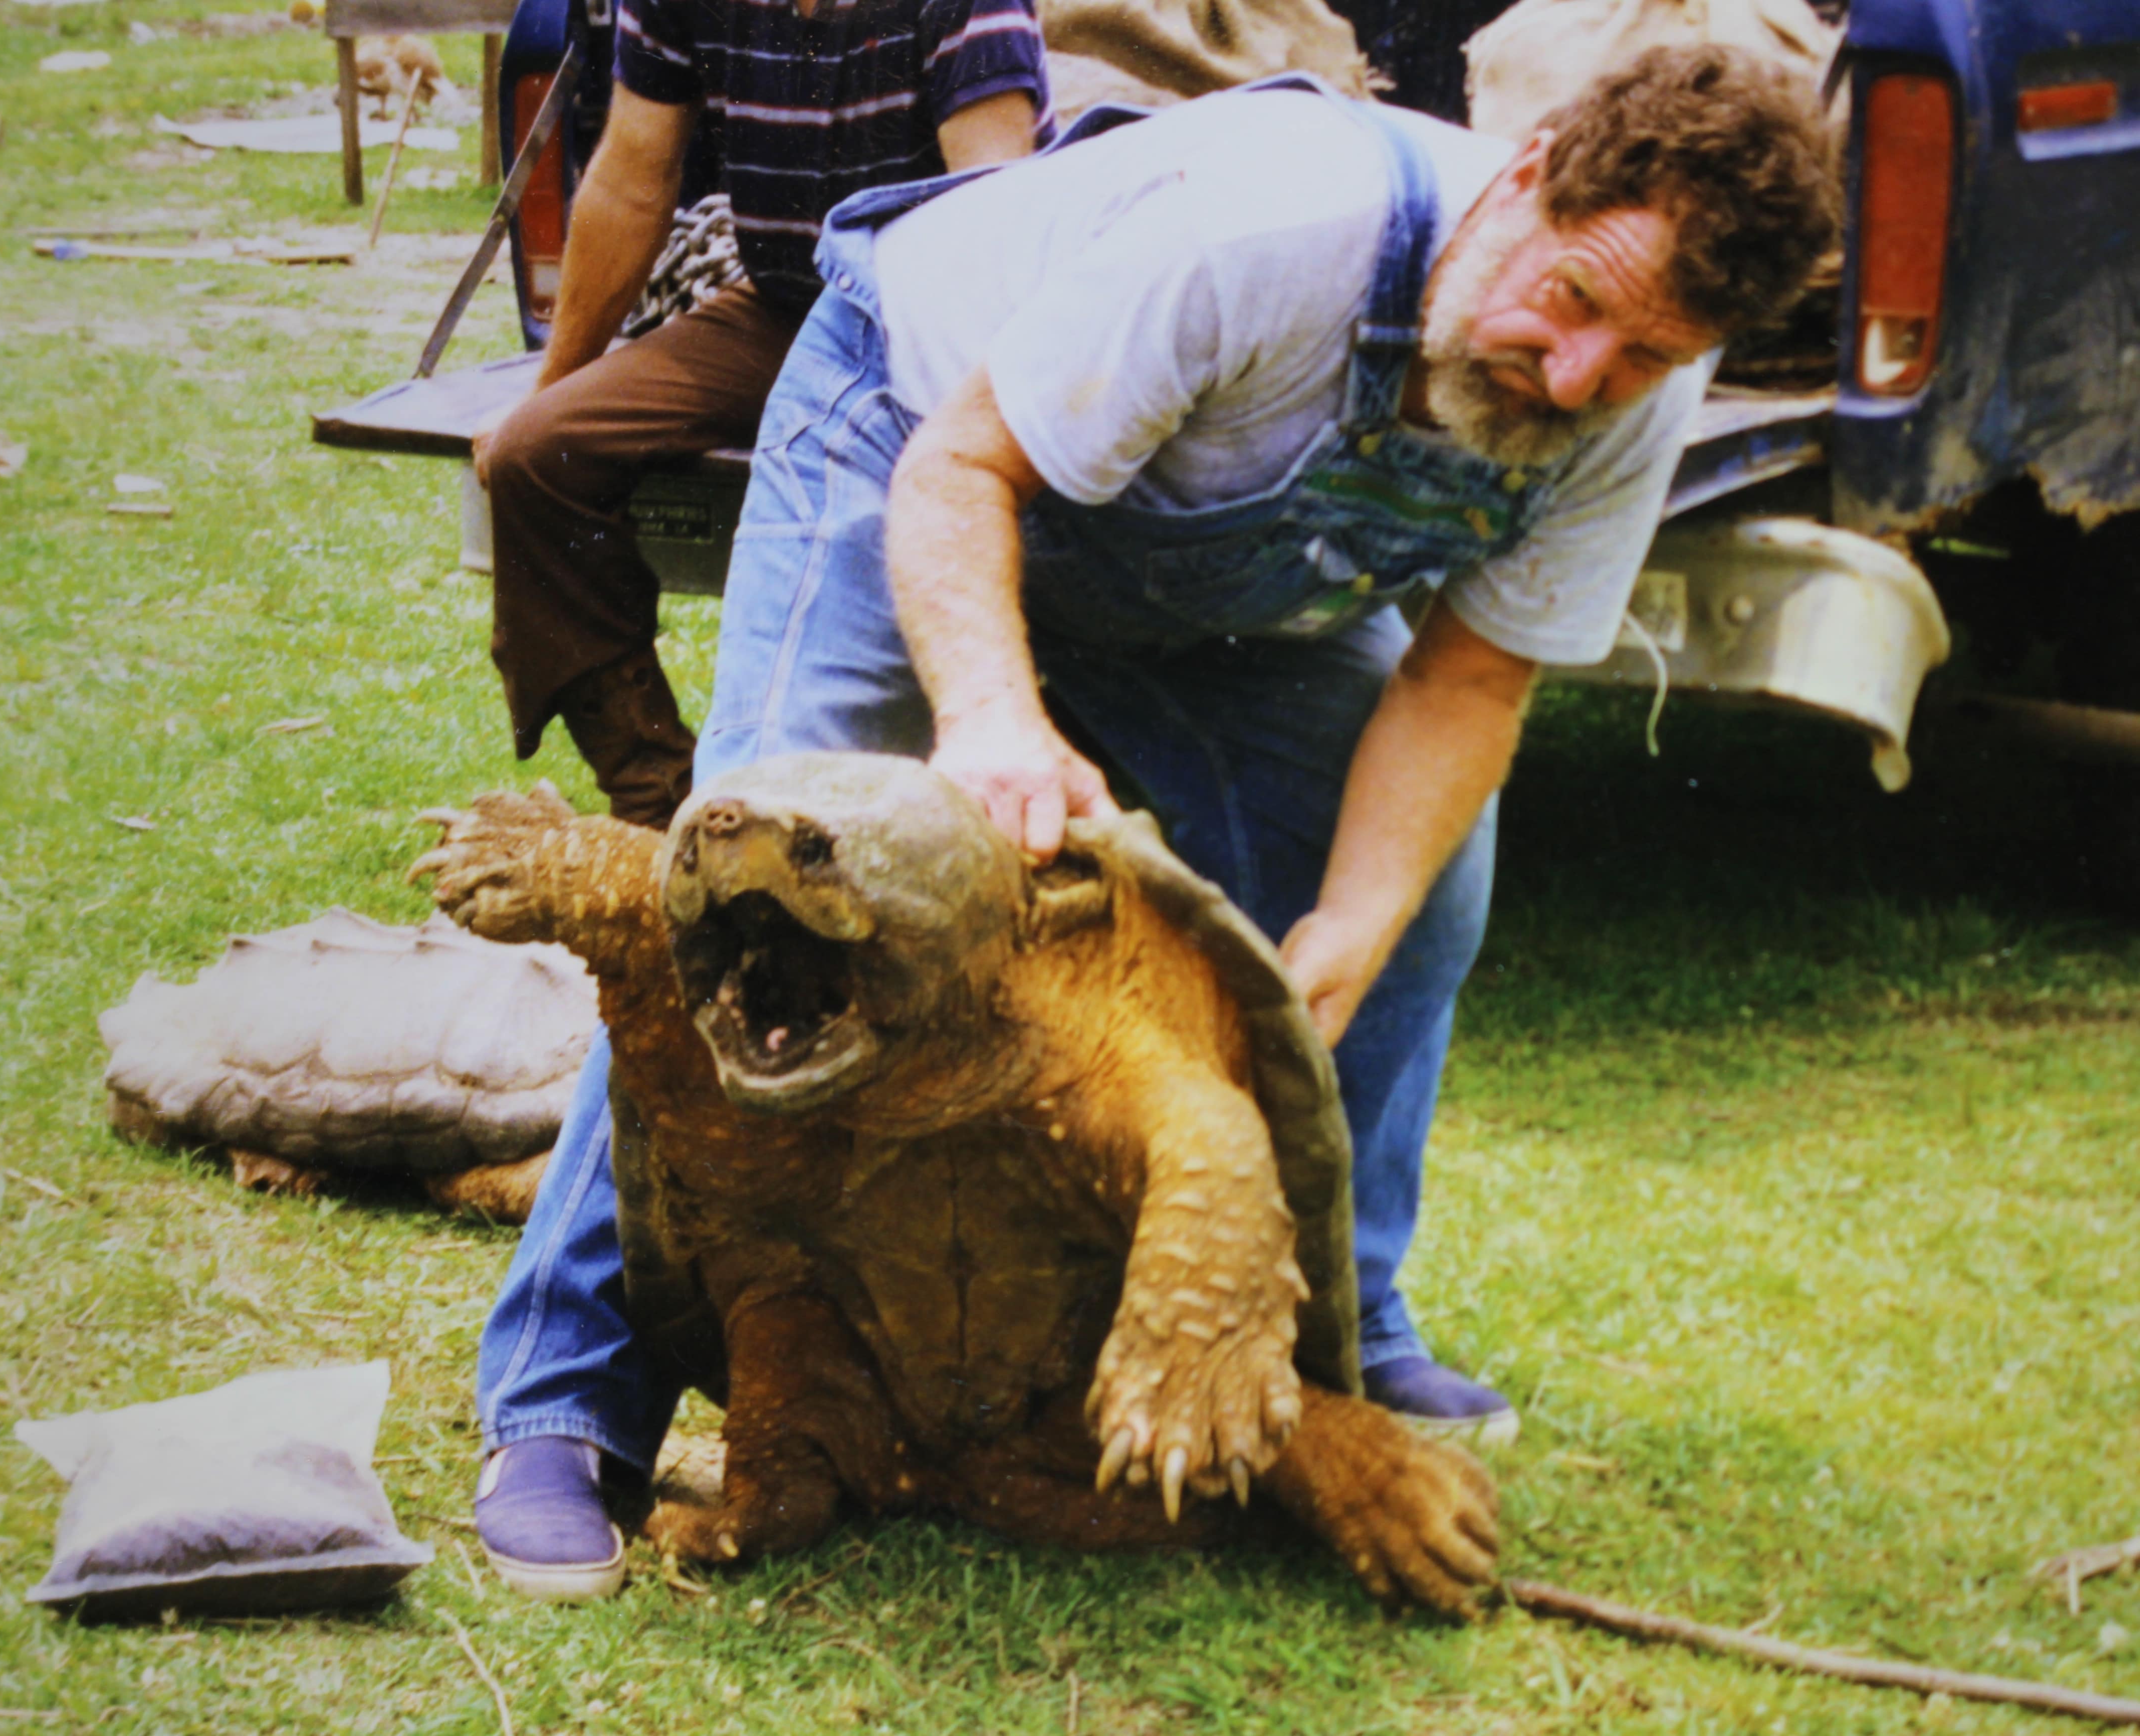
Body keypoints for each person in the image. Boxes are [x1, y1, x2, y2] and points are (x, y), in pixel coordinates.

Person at [474, 42, 1837, 1600]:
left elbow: (1468, 685)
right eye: (1580, 304)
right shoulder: (1266, 232)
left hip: (1210, 577)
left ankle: (1345, 1334)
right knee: (750, 897)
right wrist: (991, 720)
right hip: (917, 437)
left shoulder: (1620, 409)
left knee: (1427, 882)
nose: (1584, 377)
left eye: (1646, 355)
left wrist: (1353, 925)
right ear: (1521, 178)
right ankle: (570, 1402)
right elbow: (963, 473)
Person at [471, 0, 1050, 829]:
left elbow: (997, 224)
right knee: (537, 456)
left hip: (927, 320)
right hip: (779, 310)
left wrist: (962, 439)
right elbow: (635, 175)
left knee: (936, 523)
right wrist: (550, 390)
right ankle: (657, 808)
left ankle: (922, 818)